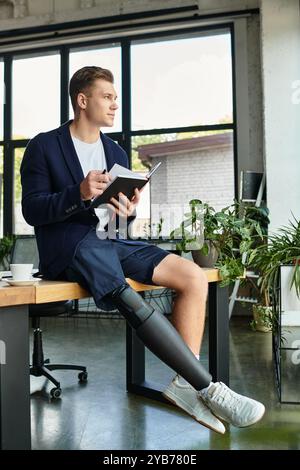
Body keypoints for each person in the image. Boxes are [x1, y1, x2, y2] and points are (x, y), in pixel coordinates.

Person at [21, 66, 265, 434]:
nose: (115, 104)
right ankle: (208, 386)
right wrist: (79, 193)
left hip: (110, 241)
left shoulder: (114, 149)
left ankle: (184, 383)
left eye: (116, 98)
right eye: (107, 96)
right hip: (68, 248)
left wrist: (127, 213)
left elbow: (116, 226)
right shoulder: (44, 145)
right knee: (121, 285)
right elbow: (32, 210)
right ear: (82, 100)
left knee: (192, 276)